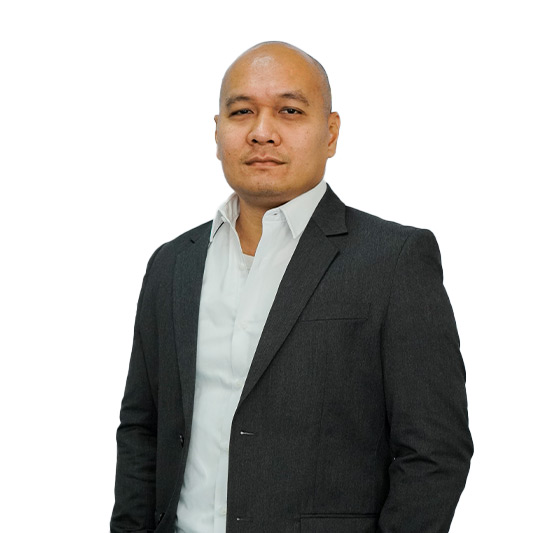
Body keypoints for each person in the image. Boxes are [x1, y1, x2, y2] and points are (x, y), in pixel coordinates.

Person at [110, 42, 473, 533]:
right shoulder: (172, 264)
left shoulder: (394, 261)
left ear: (331, 132)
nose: (262, 132)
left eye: (289, 111)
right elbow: (142, 429)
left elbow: (434, 451)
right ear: (217, 132)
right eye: (242, 112)